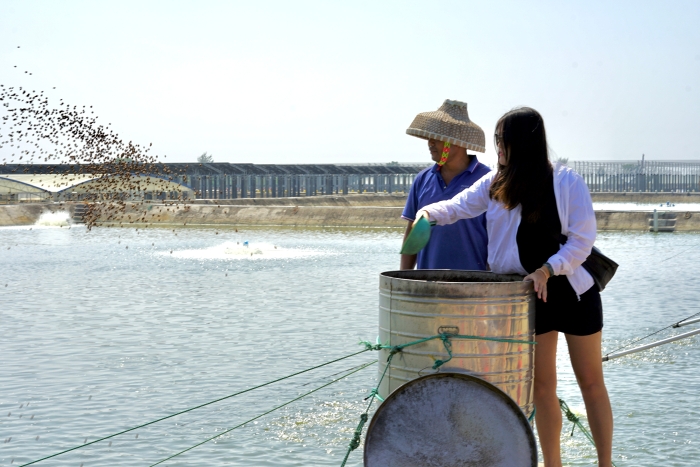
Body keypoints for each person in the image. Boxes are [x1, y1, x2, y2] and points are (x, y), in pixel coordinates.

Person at [414, 107, 613, 467]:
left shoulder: (566, 182)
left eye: (501, 141)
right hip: (528, 296)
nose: (497, 148)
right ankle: (553, 464)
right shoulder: (495, 183)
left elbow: (582, 240)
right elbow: (458, 206)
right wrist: (429, 213)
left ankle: (605, 463)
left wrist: (547, 269)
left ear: (519, 142)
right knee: (542, 387)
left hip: (573, 292)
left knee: (590, 382)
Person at [401, 99, 491, 270]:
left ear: (456, 141)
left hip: (473, 287)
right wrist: (402, 278)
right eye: (429, 137)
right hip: (427, 285)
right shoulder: (423, 179)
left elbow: (497, 238)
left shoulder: (487, 180)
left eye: (436, 138)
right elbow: (411, 232)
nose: (430, 143)